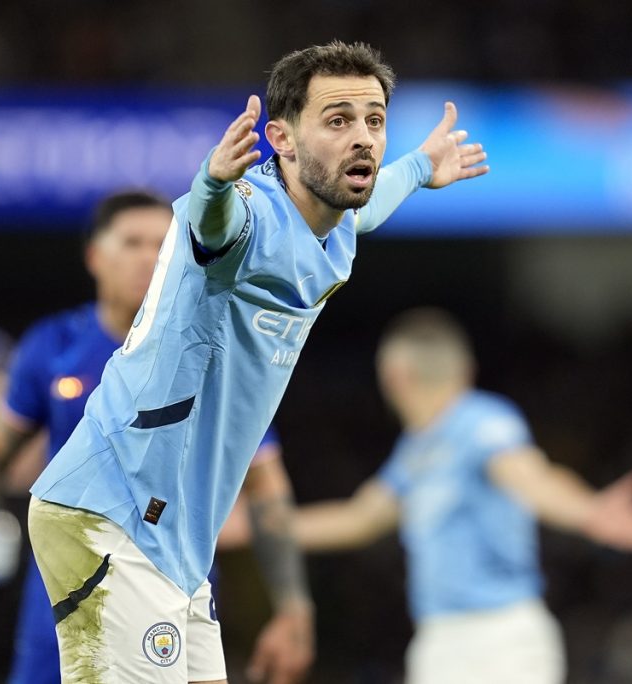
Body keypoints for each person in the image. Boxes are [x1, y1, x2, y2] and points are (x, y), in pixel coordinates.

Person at [27, 40, 488, 683]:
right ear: (282, 140)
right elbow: (216, 225)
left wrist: (418, 167)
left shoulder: (334, 221)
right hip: (115, 510)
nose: (363, 138)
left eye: (374, 120)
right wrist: (212, 181)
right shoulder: (250, 215)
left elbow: (371, 202)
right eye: (338, 120)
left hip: (176, 539)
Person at [0, 191, 312, 684]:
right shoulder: (53, 347)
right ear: (95, 256)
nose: (148, 256)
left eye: (162, 244)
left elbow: (266, 489)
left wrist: (293, 606)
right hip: (61, 596)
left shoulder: (217, 356)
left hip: (171, 594)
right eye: (132, 242)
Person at [293, 308, 632, 684]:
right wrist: (260, 526)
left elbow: (531, 477)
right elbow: (359, 519)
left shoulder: (483, 419)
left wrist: (586, 509)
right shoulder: (416, 450)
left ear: (396, 377)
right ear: (465, 369)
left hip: (499, 639)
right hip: (439, 640)